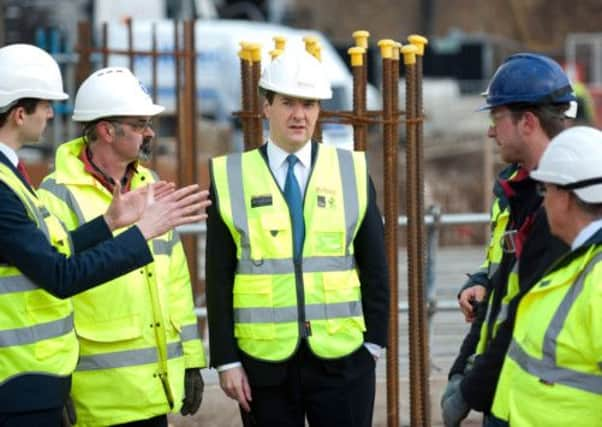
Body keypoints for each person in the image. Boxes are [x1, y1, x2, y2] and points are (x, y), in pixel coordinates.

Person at [0, 44, 208, 427]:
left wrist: (191, 359)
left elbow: (175, 280)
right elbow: (60, 275)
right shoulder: (52, 191)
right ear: (106, 130)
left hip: (150, 388)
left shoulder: (149, 187)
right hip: (79, 392)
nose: (50, 113)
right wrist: (139, 231)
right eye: (139, 123)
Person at [205, 46, 389, 427]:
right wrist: (226, 359)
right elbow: (219, 278)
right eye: (288, 102)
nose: (299, 115)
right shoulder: (231, 177)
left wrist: (372, 345)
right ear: (266, 106)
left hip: (343, 359)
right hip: (262, 364)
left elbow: (375, 265)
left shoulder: (350, 171)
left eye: (308, 104)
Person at [441, 53, 576, 426]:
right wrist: (482, 280)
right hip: (511, 392)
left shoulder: (562, 205)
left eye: (496, 118)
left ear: (528, 122)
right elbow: (504, 282)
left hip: (542, 403)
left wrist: (469, 389)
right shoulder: (519, 191)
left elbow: (519, 311)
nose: (489, 131)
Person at [489, 126, 602, 427]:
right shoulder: (575, 264)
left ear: (565, 197)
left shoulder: (597, 280)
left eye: (545, 190)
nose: (544, 201)